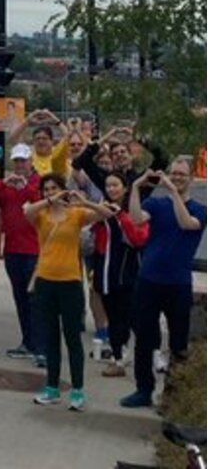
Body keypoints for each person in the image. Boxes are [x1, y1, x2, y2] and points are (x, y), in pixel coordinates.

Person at [121, 159, 207, 408]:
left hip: (177, 284)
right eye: (173, 174)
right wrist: (136, 187)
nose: (177, 178)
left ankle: (173, 395)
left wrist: (172, 192)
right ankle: (143, 389)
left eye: (182, 175)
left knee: (178, 342)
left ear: (190, 178)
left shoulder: (199, 209)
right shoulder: (157, 204)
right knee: (144, 338)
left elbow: (186, 223)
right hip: (149, 280)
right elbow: (137, 219)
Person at [24, 175, 113, 411]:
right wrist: (48, 200)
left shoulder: (76, 215)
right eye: (47, 189)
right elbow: (28, 212)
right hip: (45, 281)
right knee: (50, 337)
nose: (50, 192)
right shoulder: (41, 215)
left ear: (64, 190)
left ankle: (77, 390)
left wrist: (81, 201)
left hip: (70, 282)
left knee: (72, 338)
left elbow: (105, 214)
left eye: (55, 188)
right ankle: (52, 387)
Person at [0, 143, 42, 362]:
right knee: (21, 299)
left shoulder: (39, 183)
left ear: (31, 161)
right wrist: (2, 183)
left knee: (35, 300)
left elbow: (43, 203)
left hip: (34, 250)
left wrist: (27, 188)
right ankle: (28, 341)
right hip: (13, 250)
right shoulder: (6, 186)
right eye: (16, 161)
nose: (20, 165)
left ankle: (40, 346)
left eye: (23, 161)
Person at [92, 172, 149, 377]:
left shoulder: (131, 210)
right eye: (108, 186)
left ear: (125, 188)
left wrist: (120, 217)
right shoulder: (102, 209)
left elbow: (139, 239)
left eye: (115, 185)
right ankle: (118, 357)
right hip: (105, 271)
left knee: (128, 318)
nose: (111, 189)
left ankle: (140, 355)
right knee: (112, 317)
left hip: (125, 273)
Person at [9, 110, 69, 180]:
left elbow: (70, 136)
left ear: (52, 141)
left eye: (44, 138)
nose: (41, 141)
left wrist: (56, 121)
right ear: (33, 141)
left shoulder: (59, 153)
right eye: (38, 139)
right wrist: (27, 121)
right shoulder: (29, 156)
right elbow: (13, 139)